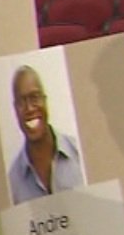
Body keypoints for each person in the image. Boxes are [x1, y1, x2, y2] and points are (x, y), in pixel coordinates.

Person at [7, 66, 84, 204]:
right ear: (15, 109)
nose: (29, 108)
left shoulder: (80, 153)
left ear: (45, 100)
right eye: (22, 101)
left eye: (35, 98)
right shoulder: (13, 181)